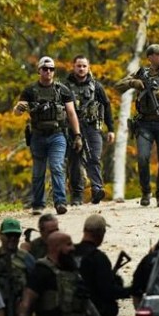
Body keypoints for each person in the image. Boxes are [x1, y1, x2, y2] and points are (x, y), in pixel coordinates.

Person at [114, 44, 159, 207]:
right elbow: (118, 86)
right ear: (150, 57)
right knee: (143, 158)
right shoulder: (141, 74)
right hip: (144, 123)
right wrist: (134, 83)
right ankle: (146, 191)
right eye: (158, 54)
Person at [15, 57, 82, 216]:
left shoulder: (62, 90)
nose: (48, 72)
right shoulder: (30, 90)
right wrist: (19, 108)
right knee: (38, 171)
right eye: (45, 69)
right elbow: (17, 112)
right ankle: (38, 204)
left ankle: (60, 202)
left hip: (57, 135)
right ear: (39, 70)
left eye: (51, 69)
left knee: (57, 166)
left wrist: (77, 135)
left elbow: (71, 113)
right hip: (37, 135)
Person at [65, 55, 115, 205]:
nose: (81, 69)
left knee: (94, 157)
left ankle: (97, 189)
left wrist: (111, 128)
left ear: (89, 67)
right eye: (78, 66)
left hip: (92, 127)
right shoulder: (65, 86)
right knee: (75, 161)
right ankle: (77, 195)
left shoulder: (96, 86)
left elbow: (106, 106)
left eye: (84, 66)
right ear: (73, 67)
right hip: (72, 128)